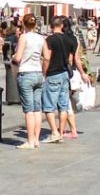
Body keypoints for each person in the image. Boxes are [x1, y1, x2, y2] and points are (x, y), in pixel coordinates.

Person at [12, 13, 47, 149]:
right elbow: (47, 56)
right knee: (37, 108)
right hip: (38, 73)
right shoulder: (41, 38)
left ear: (24, 24)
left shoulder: (23, 37)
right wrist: (43, 70)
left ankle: (30, 141)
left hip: (26, 73)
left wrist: (13, 57)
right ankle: (36, 139)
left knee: (28, 110)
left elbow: (18, 57)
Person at [41, 16, 75, 144]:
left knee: (49, 106)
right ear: (62, 26)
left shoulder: (49, 39)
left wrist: (44, 71)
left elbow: (47, 57)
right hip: (64, 73)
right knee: (63, 105)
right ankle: (61, 132)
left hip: (53, 73)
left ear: (51, 26)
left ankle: (54, 132)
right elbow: (71, 59)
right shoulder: (69, 39)